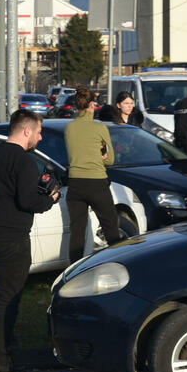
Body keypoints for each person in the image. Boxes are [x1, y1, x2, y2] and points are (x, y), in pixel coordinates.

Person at [0, 110, 59, 372]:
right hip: (10, 236)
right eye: (39, 132)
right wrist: (50, 200)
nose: (40, 138)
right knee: (9, 296)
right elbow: (28, 202)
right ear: (26, 130)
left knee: (7, 289)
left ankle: (8, 342)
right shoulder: (24, 162)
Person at [64, 87, 120, 263]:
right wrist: (100, 155)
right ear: (92, 105)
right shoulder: (100, 127)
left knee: (77, 232)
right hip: (97, 182)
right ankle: (118, 264)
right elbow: (110, 159)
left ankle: (73, 271)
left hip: (75, 183)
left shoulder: (69, 128)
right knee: (110, 227)